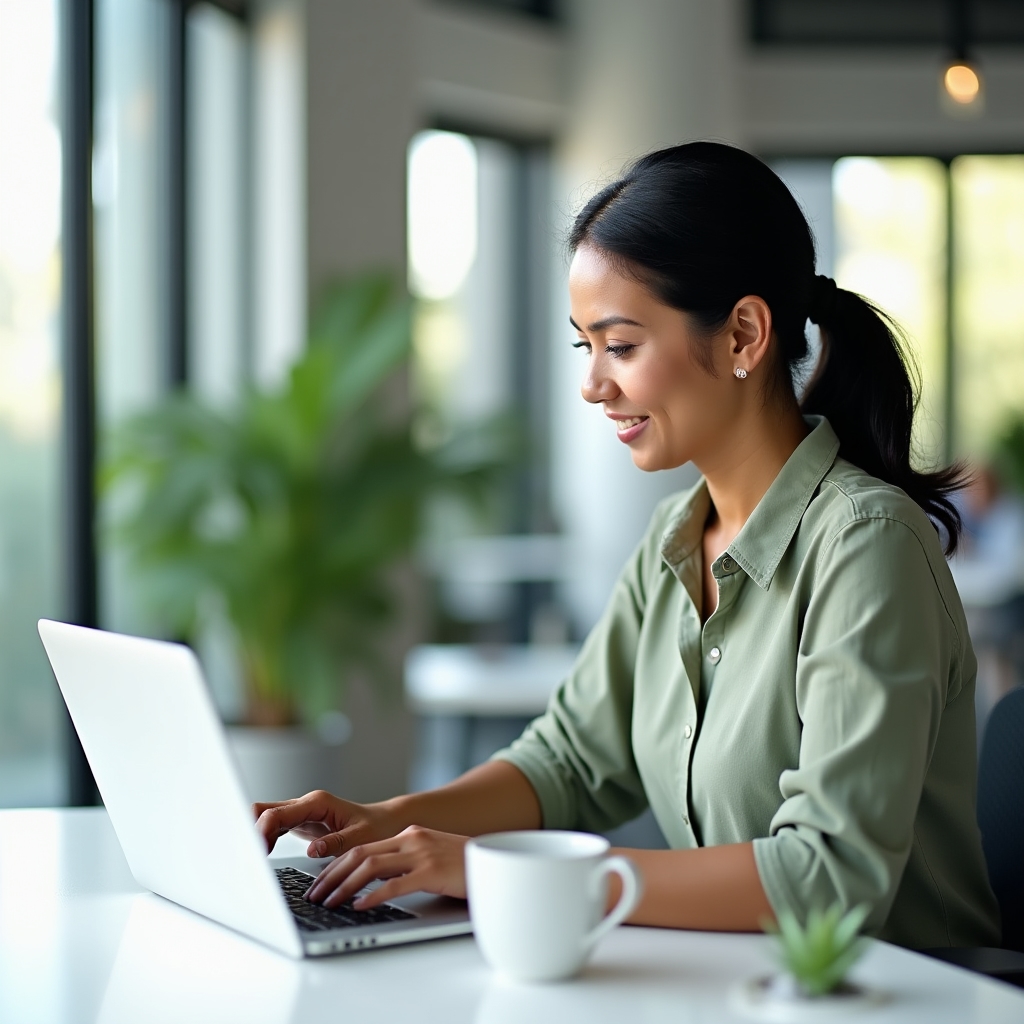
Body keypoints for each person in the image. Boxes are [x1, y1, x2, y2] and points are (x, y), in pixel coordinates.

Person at [255, 143, 999, 949]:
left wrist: (508, 873)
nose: (593, 383)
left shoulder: (865, 547)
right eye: (585, 346)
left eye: (622, 345)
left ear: (745, 335)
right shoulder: (675, 538)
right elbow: (571, 762)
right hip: (739, 991)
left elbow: (825, 874)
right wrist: (388, 823)